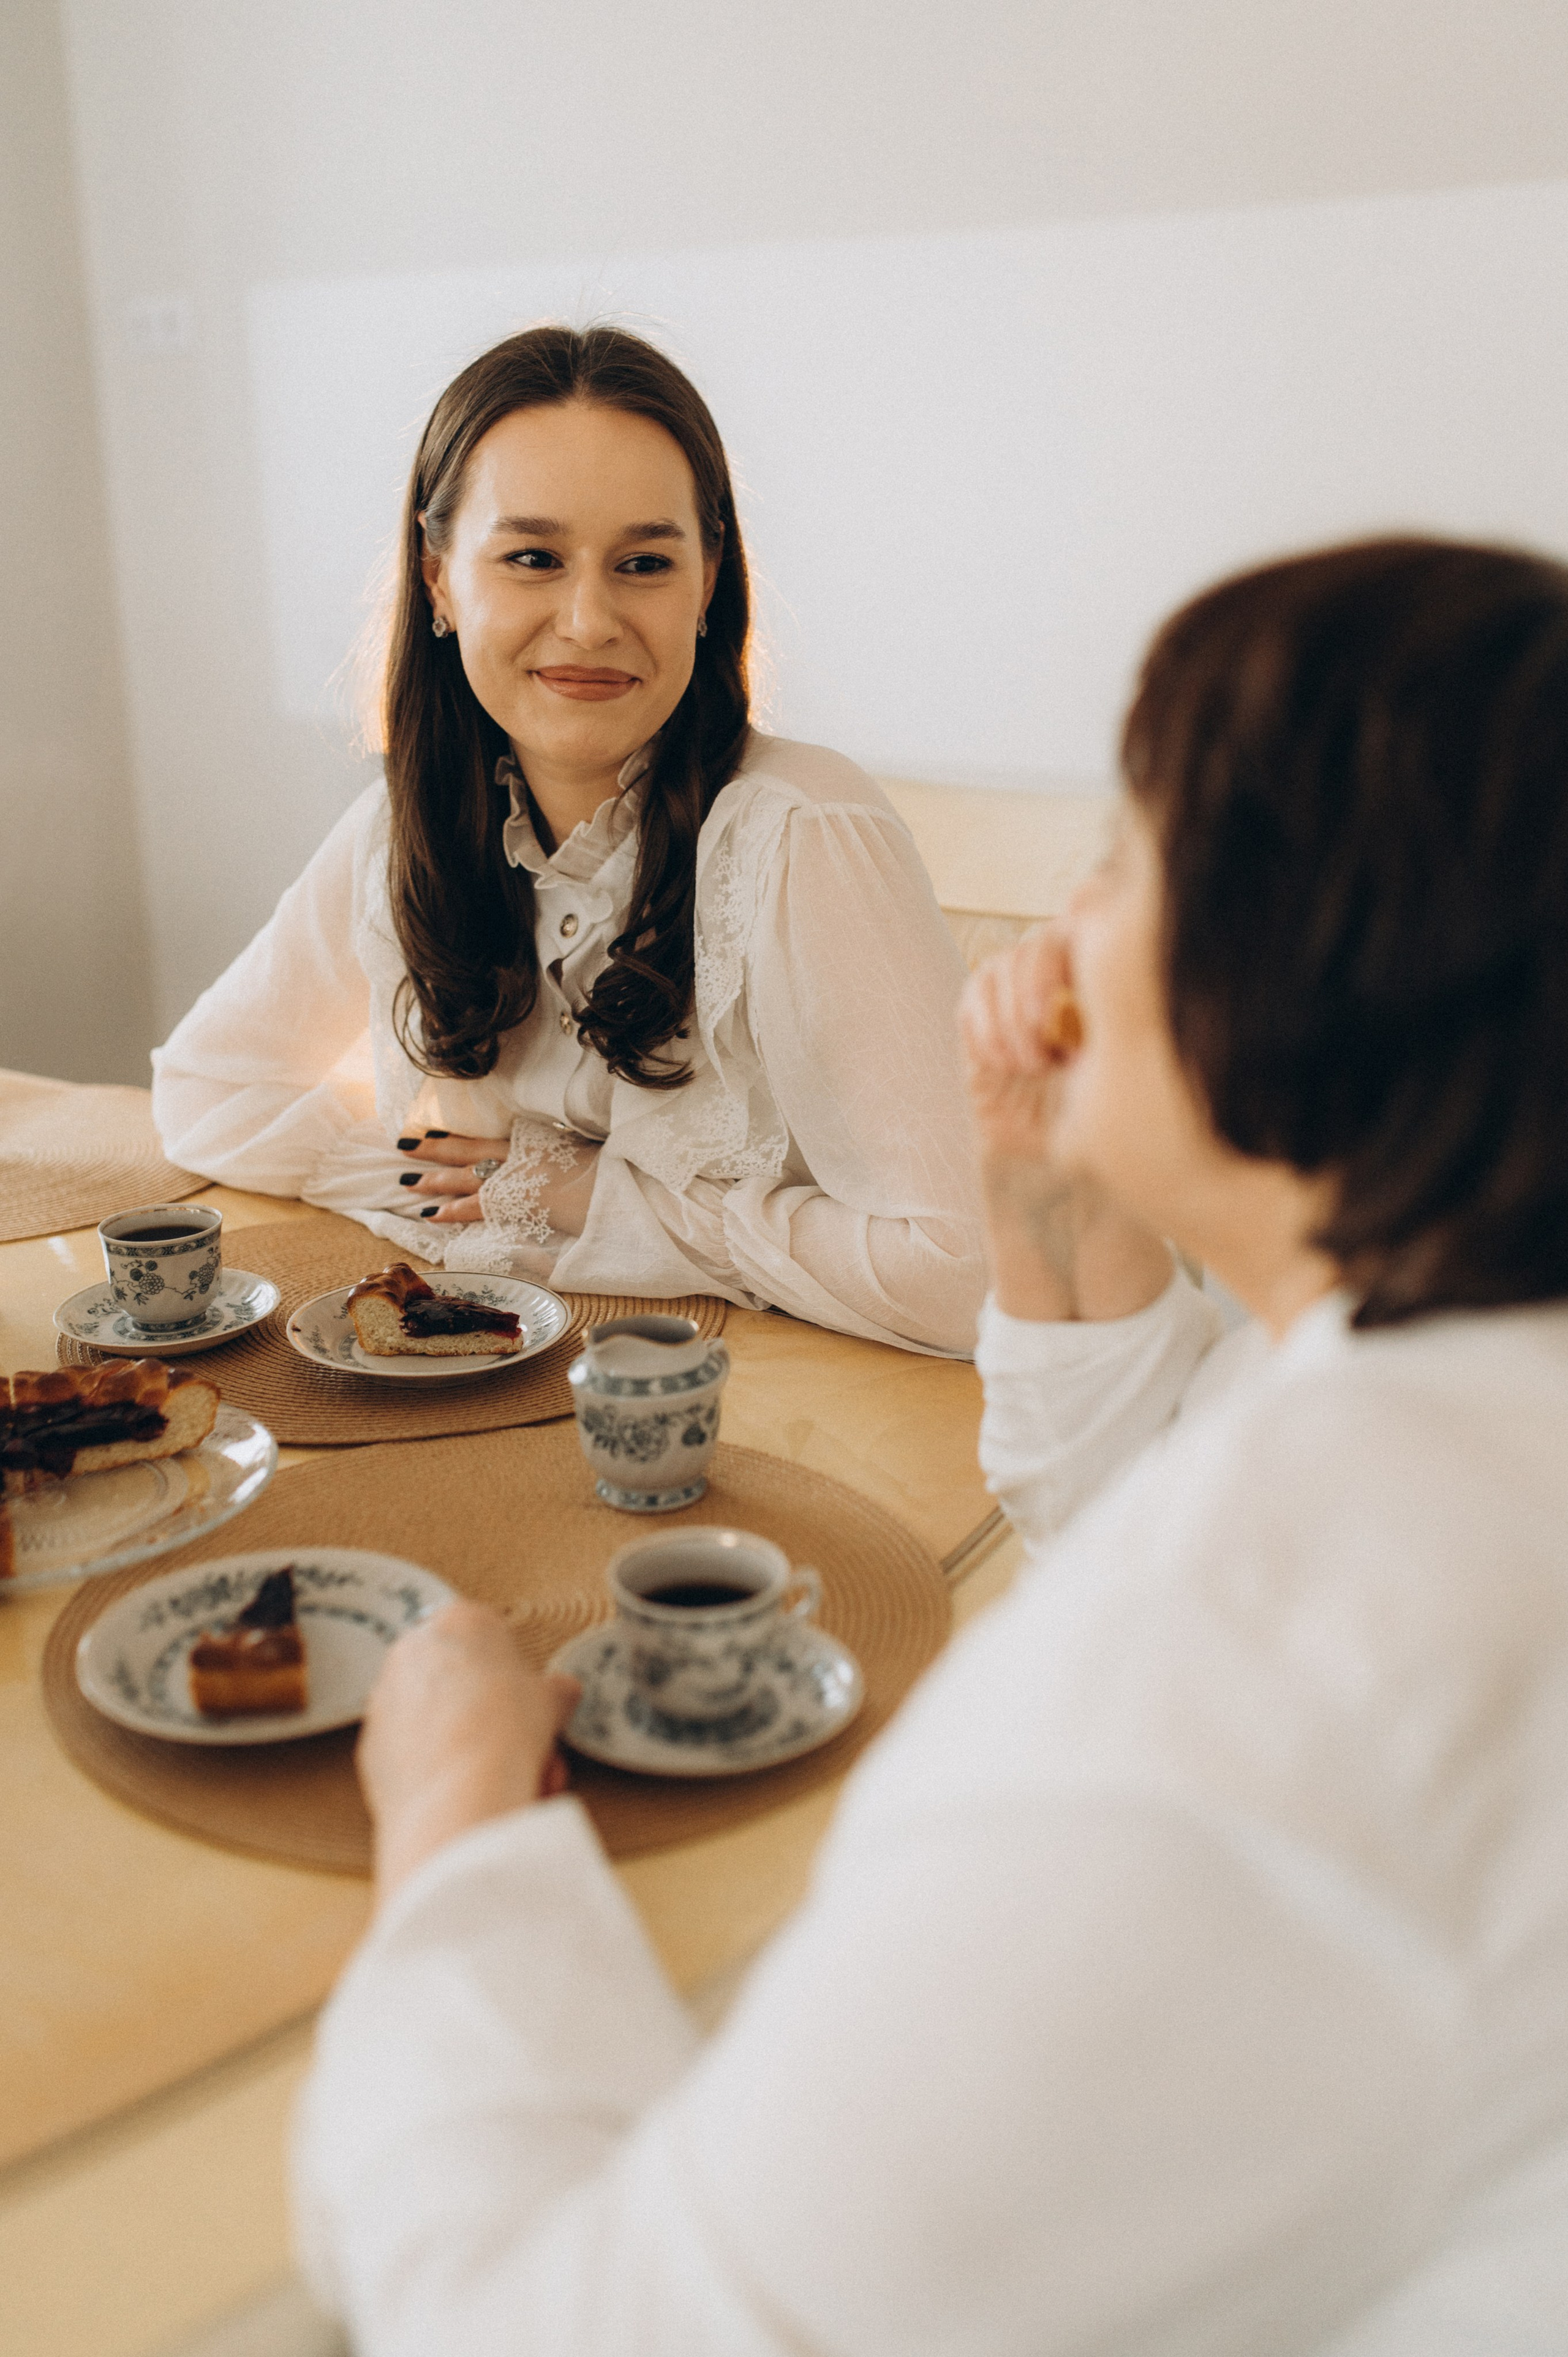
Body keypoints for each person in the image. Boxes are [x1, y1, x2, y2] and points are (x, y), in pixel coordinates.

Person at [295, 538, 1568, 2353]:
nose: (1067, 912)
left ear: (1299, 948)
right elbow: (1137, 1487)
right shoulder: (1459, 1393)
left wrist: (456, 1828)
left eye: (1124, 853)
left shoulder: (1224, 1700)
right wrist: (1052, 1203)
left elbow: (563, 2327)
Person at [151, 327, 982, 1355]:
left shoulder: (802, 836)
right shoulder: (399, 829)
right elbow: (208, 1091)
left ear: (709, 580)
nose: (589, 621)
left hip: (803, 1412)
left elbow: (968, 1275)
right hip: (508, 1371)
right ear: (441, 578)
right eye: (533, 558)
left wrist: (585, 1198)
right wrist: (452, 1187)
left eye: (643, 563)